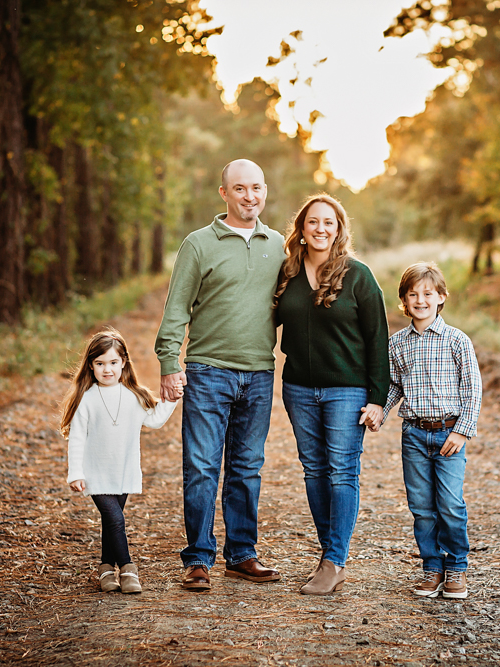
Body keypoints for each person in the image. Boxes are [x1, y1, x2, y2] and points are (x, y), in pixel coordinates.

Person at [154, 159, 286, 591]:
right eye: (241, 189)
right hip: (208, 372)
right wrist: (170, 364)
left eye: (257, 188)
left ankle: (242, 554)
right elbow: (176, 310)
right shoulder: (198, 244)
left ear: (265, 191)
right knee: (201, 467)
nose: (250, 196)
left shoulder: (278, 245)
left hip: (259, 374)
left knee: (248, 468)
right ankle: (197, 559)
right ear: (224, 193)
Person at [273, 193, 389, 595]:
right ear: (301, 230)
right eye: (313, 222)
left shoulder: (359, 276)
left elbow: (378, 340)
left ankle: (333, 561)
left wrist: (378, 398)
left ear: (339, 230)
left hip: (347, 391)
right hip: (299, 389)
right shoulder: (286, 274)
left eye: (329, 222)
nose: (321, 229)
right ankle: (330, 555)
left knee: (342, 471)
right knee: (314, 470)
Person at [380, 262, 482, 600]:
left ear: (441, 297)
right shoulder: (397, 344)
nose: (420, 300)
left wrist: (462, 431)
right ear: (404, 301)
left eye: (428, 293)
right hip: (414, 435)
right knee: (421, 506)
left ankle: (456, 566)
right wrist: (380, 410)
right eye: (413, 295)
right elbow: (394, 386)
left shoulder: (457, 341)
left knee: (450, 504)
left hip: (449, 434)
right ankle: (431, 567)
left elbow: (473, 389)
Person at [61, 327, 179, 594]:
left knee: (110, 522)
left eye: (113, 362)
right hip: (95, 472)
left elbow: (155, 419)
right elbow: (77, 437)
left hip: (123, 471)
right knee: (115, 520)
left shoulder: (133, 396)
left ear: (123, 362)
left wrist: (172, 399)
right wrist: (75, 472)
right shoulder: (87, 399)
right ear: (91, 366)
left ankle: (105, 569)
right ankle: (127, 568)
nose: (107, 369)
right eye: (100, 363)